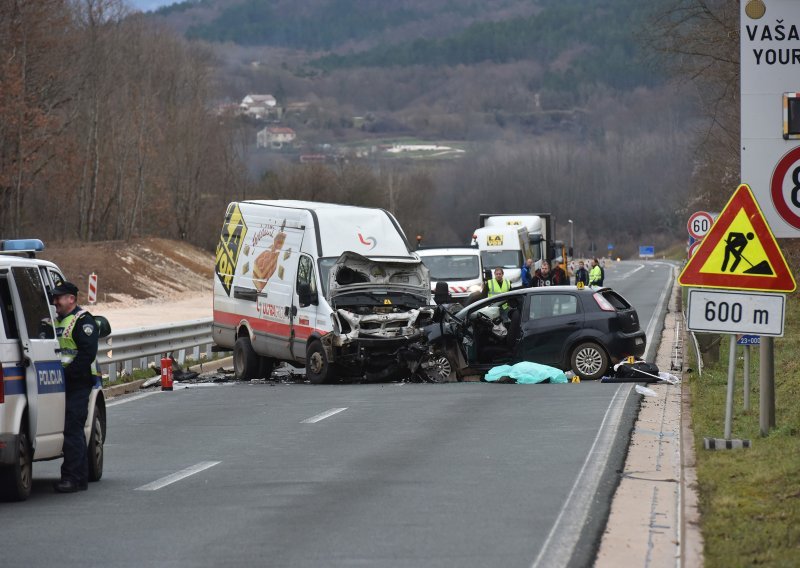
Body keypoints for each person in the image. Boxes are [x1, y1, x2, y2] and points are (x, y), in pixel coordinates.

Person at [52, 282, 99, 493]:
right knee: (74, 430)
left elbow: (87, 354)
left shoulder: (83, 321)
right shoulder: (57, 321)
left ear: (71, 299)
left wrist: (67, 375)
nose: (55, 302)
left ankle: (71, 477)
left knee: (72, 428)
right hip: (60, 383)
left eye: (59, 298)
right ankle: (79, 477)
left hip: (78, 382)